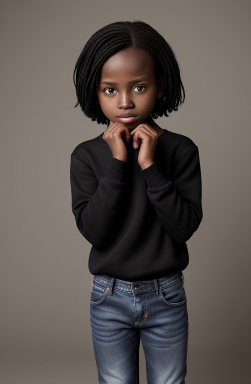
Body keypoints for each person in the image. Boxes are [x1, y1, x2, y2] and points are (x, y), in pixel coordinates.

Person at [70, 20, 203, 384]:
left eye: (139, 87)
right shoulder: (87, 156)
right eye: (110, 90)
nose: (125, 101)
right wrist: (118, 163)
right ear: (94, 93)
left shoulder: (181, 150)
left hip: (167, 295)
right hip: (108, 297)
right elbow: (96, 231)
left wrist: (149, 165)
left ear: (160, 87)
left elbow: (184, 226)